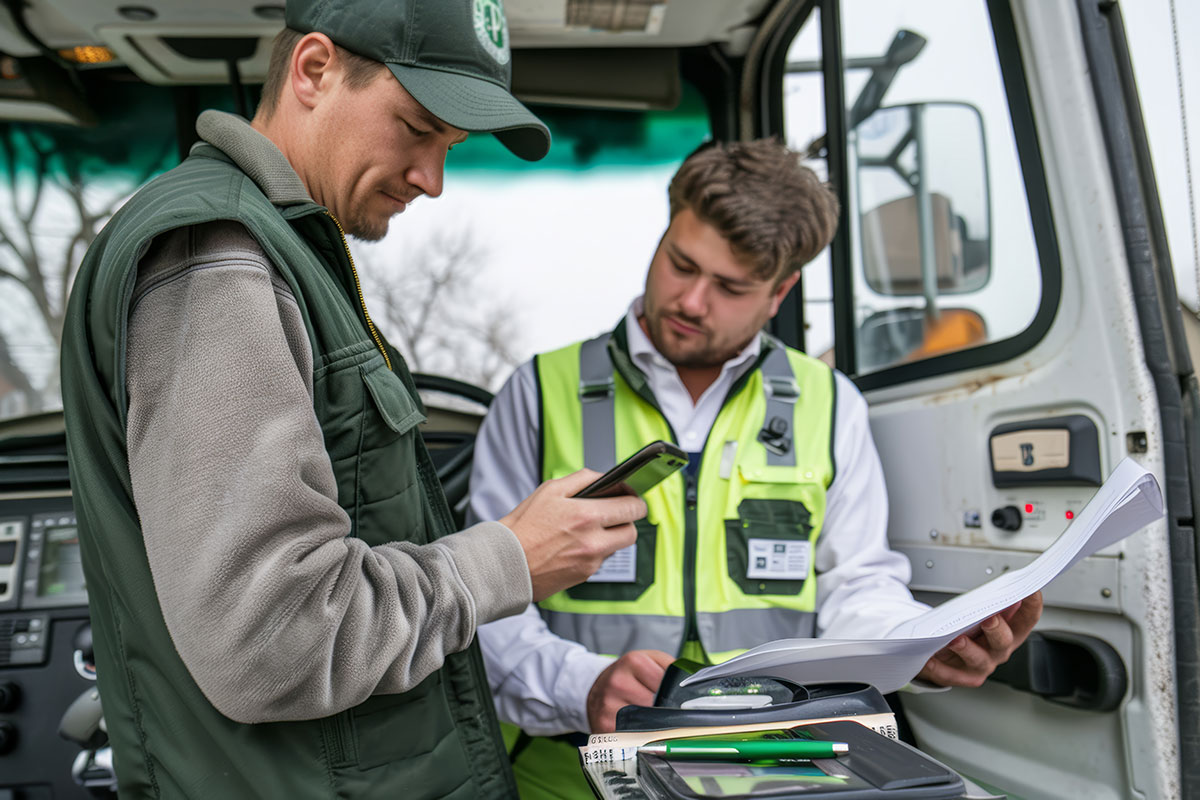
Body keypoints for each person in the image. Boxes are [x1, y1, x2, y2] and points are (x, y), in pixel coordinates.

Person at [59, 1, 647, 797]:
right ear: (313, 70)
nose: (432, 180)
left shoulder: (285, 253)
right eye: (415, 127)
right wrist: (508, 559)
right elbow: (271, 639)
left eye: (450, 146)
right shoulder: (219, 259)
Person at [468, 138, 1044, 799]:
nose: (690, 300)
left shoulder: (831, 406)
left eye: (731, 287)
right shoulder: (539, 392)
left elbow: (856, 589)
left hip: (773, 776)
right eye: (680, 264)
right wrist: (583, 687)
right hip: (567, 776)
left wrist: (917, 649)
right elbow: (490, 605)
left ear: (780, 291)